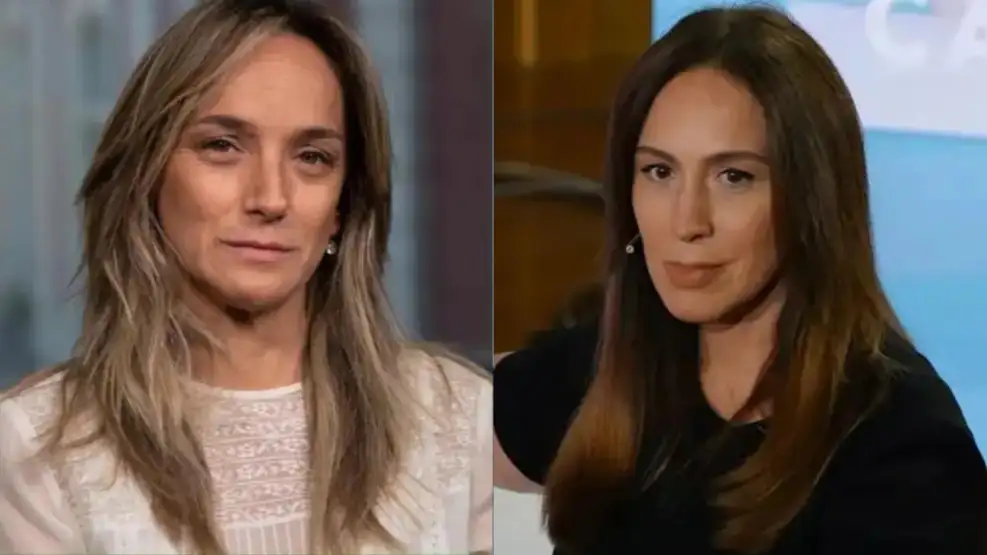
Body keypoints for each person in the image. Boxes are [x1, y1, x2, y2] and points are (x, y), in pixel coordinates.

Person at [0, 1, 492, 554]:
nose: (271, 198)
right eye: (223, 146)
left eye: (312, 157)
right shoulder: (36, 452)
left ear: (341, 207)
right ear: (146, 177)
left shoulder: (460, 419)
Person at [493, 5, 987, 555]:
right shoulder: (619, 365)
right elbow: (436, 423)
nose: (687, 221)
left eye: (734, 177)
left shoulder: (904, 455)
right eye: (659, 171)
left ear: (812, 200)